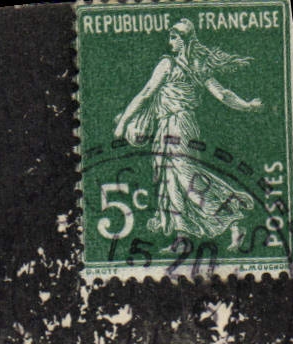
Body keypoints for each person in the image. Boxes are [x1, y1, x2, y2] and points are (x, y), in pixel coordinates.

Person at [112, 18, 264, 251]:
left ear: (184, 41)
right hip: (170, 125)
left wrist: (123, 123)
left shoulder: (170, 65)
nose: (169, 41)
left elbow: (145, 94)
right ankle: (181, 238)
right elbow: (222, 94)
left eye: (173, 37)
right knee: (169, 178)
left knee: (186, 176)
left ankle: (233, 217)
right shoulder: (196, 66)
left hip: (178, 125)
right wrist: (247, 105)